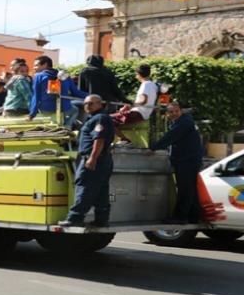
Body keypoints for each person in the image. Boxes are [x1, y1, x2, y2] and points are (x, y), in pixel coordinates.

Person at [59, 95, 115, 227]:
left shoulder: (99, 118)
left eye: (91, 104)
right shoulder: (98, 118)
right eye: (85, 104)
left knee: (84, 187)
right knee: (101, 190)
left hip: (94, 158)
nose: (87, 106)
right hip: (102, 159)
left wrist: (92, 158)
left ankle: (74, 218)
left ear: (99, 104)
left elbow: (99, 139)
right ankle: (101, 220)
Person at [149, 102, 204, 224]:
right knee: (190, 190)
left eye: (176, 111)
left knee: (185, 189)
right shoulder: (183, 122)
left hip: (187, 161)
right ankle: (194, 216)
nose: (174, 114)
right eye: (171, 112)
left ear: (181, 111)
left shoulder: (184, 123)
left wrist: (154, 148)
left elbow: (170, 137)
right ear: (167, 114)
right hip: (189, 160)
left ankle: (180, 217)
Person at [29, 56, 88, 124]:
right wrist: (92, 96)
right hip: (64, 108)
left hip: (46, 109)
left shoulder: (39, 76)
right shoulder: (65, 74)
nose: (34, 68)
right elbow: (76, 92)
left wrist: (32, 114)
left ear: (45, 64)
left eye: (36, 65)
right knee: (75, 110)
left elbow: (36, 96)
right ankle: (68, 127)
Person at [111, 64, 158, 143]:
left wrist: (128, 106)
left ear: (138, 74)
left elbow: (143, 100)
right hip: (142, 113)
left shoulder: (145, 85)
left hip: (138, 113)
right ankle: (123, 139)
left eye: (136, 74)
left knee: (106, 120)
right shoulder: (153, 85)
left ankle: (124, 139)